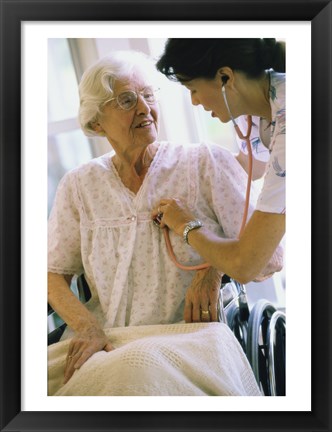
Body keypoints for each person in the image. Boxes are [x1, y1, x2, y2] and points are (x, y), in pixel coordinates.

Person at [47, 50, 282, 396]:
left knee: (134, 371)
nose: (144, 108)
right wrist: (86, 326)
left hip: (189, 340)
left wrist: (213, 270)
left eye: (148, 95)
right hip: (106, 341)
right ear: (97, 123)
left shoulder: (204, 163)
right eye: (127, 100)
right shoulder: (80, 185)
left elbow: (269, 257)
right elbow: (51, 274)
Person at [154, 38, 285, 286]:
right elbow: (252, 166)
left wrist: (185, 224)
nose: (193, 101)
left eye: (193, 89)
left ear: (225, 77)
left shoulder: (292, 125)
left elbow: (244, 265)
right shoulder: (254, 113)